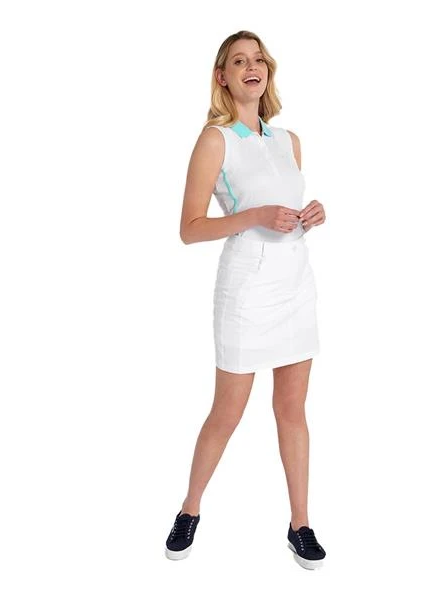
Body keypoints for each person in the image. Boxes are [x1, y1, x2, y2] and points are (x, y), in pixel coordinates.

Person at [165, 31, 327, 570]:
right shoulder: (215, 140)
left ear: (268, 71)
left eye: (258, 59)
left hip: (295, 284)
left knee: (292, 410)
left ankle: (300, 524)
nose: (251, 67)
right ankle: (189, 509)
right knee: (227, 412)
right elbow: (189, 228)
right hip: (246, 290)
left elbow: (285, 208)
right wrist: (253, 216)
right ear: (223, 77)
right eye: (239, 61)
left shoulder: (288, 140)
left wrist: (309, 215)